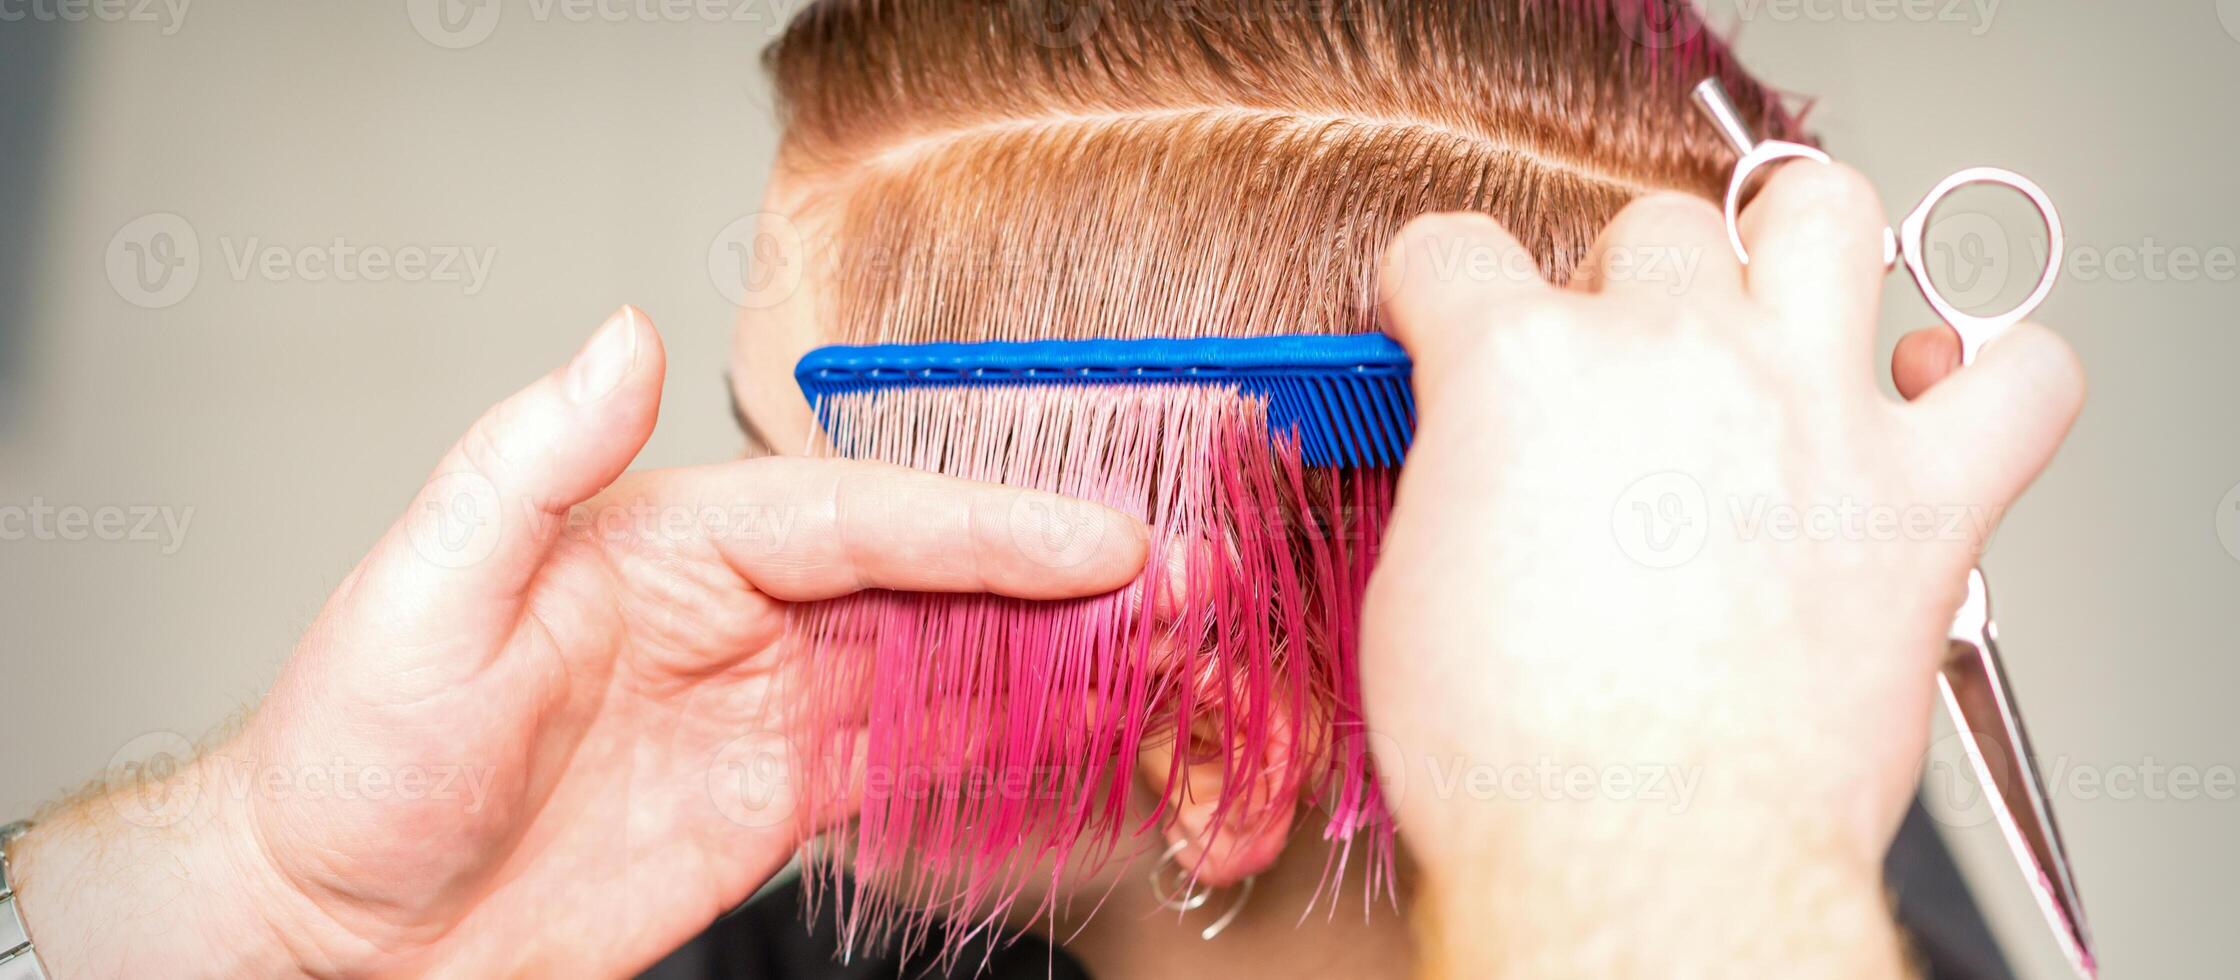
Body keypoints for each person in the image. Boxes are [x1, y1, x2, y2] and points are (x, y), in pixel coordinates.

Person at [0, 6, 2081, 980]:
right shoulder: (751, 886)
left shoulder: (1760, 874)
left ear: (1208, 739)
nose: (725, 556)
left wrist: (1672, 842)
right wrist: (246, 895)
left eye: (803, 481)